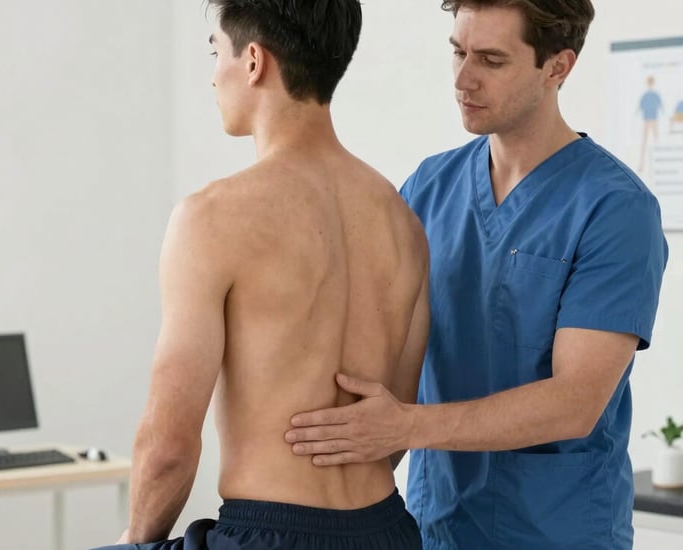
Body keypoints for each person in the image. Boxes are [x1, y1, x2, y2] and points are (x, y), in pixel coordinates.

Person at [285, 1, 669, 548]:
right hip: (436, 523)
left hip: (558, 532)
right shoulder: (428, 187)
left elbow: (577, 401)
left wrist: (406, 426)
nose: (464, 79)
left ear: (558, 67)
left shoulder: (614, 209)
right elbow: (376, 346)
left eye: (491, 60)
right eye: (458, 52)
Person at [92, 1, 430, 549]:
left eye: (215, 52)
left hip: (270, 534)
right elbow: (391, 432)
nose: (211, 74)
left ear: (253, 61)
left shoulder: (212, 218)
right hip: (386, 530)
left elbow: (169, 446)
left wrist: (136, 540)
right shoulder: (404, 223)